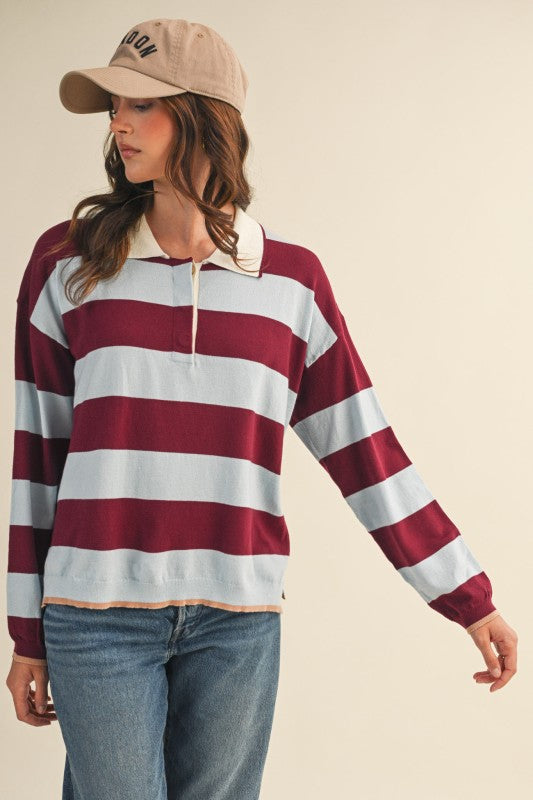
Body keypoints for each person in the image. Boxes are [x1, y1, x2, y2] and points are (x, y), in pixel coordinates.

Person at [5, 15, 518, 800]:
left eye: (140, 104)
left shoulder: (290, 283)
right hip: (96, 613)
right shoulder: (66, 264)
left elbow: (366, 453)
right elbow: (37, 457)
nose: (117, 125)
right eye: (113, 107)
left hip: (235, 620)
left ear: (202, 116)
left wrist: (467, 598)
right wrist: (26, 634)